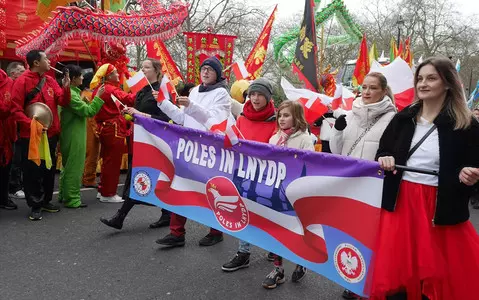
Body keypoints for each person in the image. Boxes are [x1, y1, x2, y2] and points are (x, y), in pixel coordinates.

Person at [371, 57, 479, 299]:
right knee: (398, 270)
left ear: (448, 83)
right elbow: (384, 149)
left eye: (431, 78)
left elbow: (474, 165)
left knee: (439, 276)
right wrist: (385, 157)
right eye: (420, 78)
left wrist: (471, 175)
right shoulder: (403, 117)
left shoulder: (466, 124)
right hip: (400, 202)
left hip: (439, 206)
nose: (423, 83)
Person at [155, 56, 231, 248]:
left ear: (217, 74)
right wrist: (164, 103)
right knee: (180, 188)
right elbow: (182, 118)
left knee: (212, 192)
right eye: (203, 69)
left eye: (210, 70)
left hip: (209, 151)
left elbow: (215, 122)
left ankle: (216, 232)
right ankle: (176, 232)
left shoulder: (222, 94)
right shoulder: (195, 90)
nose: (205, 72)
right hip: (189, 149)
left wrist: (191, 105)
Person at [99, 58, 174, 229]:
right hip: (140, 139)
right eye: (142, 67)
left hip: (155, 141)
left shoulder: (161, 91)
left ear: (156, 70)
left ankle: (120, 217)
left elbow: (166, 119)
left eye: (147, 67)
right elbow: (137, 112)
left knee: (141, 176)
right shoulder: (142, 91)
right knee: (145, 176)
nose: (143, 70)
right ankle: (167, 214)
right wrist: (129, 112)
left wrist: (139, 114)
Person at [221, 78, 276, 272]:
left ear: (268, 97)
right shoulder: (242, 118)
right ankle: (243, 252)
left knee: (268, 213)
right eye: (252, 94)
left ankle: (274, 248)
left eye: (260, 94)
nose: (255, 98)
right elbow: (234, 143)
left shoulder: (277, 121)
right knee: (243, 212)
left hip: (267, 177)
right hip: (243, 174)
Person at [10, 50, 71, 221]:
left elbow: (63, 101)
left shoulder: (50, 80)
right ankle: (35, 204)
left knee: (48, 168)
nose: (49, 61)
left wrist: (66, 87)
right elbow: (15, 110)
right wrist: (32, 125)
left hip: (51, 132)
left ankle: (45, 201)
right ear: (36, 63)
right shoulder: (22, 81)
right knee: (32, 170)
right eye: (46, 59)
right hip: (31, 134)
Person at [262, 100, 314, 289]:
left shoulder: (305, 140)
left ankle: (302, 262)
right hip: (276, 193)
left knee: (297, 232)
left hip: (295, 194)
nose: (282, 119)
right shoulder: (275, 138)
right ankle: (278, 269)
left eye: (286, 115)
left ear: (297, 117)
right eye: (280, 115)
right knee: (277, 231)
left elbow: (307, 168)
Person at [58, 65, 105, 208]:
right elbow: (89, 111)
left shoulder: (72, 92)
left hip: (70, 133)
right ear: (73, 79)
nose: (83, 78)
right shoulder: (72, 95)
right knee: (75, 167)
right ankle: (72, 199)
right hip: (74, 135)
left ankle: (64, 195)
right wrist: (98, 97)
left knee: (67, 166)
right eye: (80, 76)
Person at [91, 63, 136, 203]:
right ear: (109, 76)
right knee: (113, 161)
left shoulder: (101, 89)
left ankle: (103, 189)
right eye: (115, 72)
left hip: (106, 128)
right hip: (113, 128)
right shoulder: (110, 89)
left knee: (107, 160)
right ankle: (108, 193)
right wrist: (142, 91)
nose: (118, 74)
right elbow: (129, 99)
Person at [330, 72, 397, 161]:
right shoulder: (349, 115)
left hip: (373, 174)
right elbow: (336, 152)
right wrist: (337, 131)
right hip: (348, 173)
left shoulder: (393, 119)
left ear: (384, 91)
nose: (366, 92)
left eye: (373, 88)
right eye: (364, 87)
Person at [7, 62, 26, 199]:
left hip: (20, 126)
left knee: (20, 158)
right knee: (15, 158)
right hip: (10, 127)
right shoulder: (8, 86)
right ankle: (14, 187)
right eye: (20, 71)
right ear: (12, 73)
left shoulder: (20, 85)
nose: (24, 73)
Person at [0, 69, 18, 210]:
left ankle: (3, 198)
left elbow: (9, 108)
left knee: (5, 168)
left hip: (6, 131)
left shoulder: (8, 82)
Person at [81, 72, 101, 188]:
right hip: (91, 127)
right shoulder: (88, 95)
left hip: (86, 127)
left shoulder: (84, 94)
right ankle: (89, 179)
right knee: (92, 154)